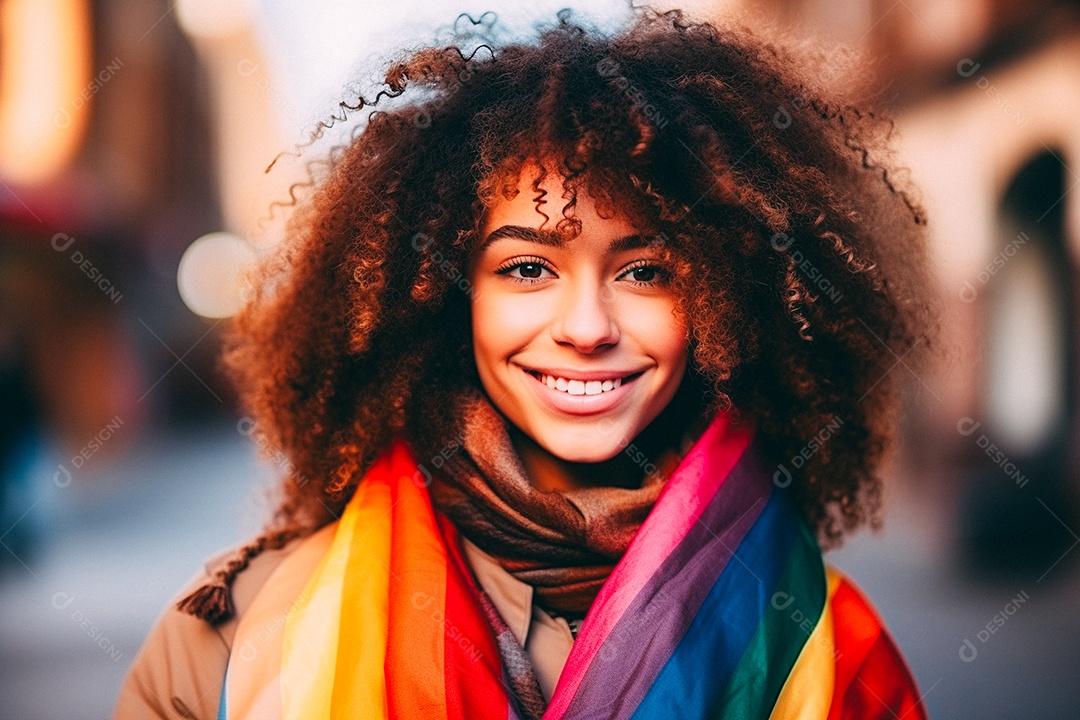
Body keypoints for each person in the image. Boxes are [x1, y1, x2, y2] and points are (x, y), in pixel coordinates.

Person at [114, 8, 937, 719]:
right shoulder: (232, 637)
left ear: (725, 294)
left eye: (646, 272)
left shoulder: (833, 651)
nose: (587, 327)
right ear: (447, 295)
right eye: (528, 267)